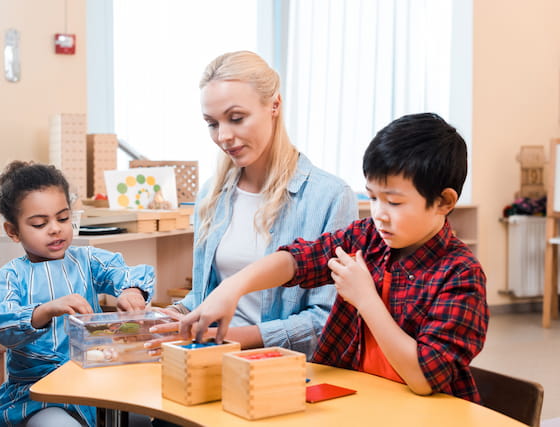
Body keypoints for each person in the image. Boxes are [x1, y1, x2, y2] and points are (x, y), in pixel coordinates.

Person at [180, 112, 489, 403]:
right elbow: (298, 260)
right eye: (372, 197)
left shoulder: (460, 274)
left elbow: (424, 378)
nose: (379, 214)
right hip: (360, 403)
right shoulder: (366, 238)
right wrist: (231, 289)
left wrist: (366, 299)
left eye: (394, 202)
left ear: (444, 202)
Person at [151, 50, 357, 359]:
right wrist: (172, 317)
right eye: (212, 123)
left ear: (274, 105)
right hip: (208, 358)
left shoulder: (330, 196)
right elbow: (204, 296)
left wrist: (227, 338)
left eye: (236, 118)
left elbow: (327, 319)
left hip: (280, 374)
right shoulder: (212, 196)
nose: (224, 136)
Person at [0, 161, 156, 427]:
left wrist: (131, 290)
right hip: (39, 395)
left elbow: (123, 271)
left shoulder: (86, 259)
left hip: (96, 379)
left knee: (143, 415)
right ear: (13, 231)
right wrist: (47, 309)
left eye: (63, 218)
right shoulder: (9, 276)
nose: (55, 228)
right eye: (40, 224)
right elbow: (1, 325)